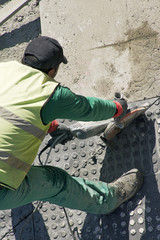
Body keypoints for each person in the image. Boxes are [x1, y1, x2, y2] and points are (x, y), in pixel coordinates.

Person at [0, 36, 143, 214]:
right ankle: (108, 200)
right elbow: (89, 108)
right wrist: (117, 108)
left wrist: (51, 126)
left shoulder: (4, 69)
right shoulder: (52, 94)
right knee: (55, 181)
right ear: (52, 71)